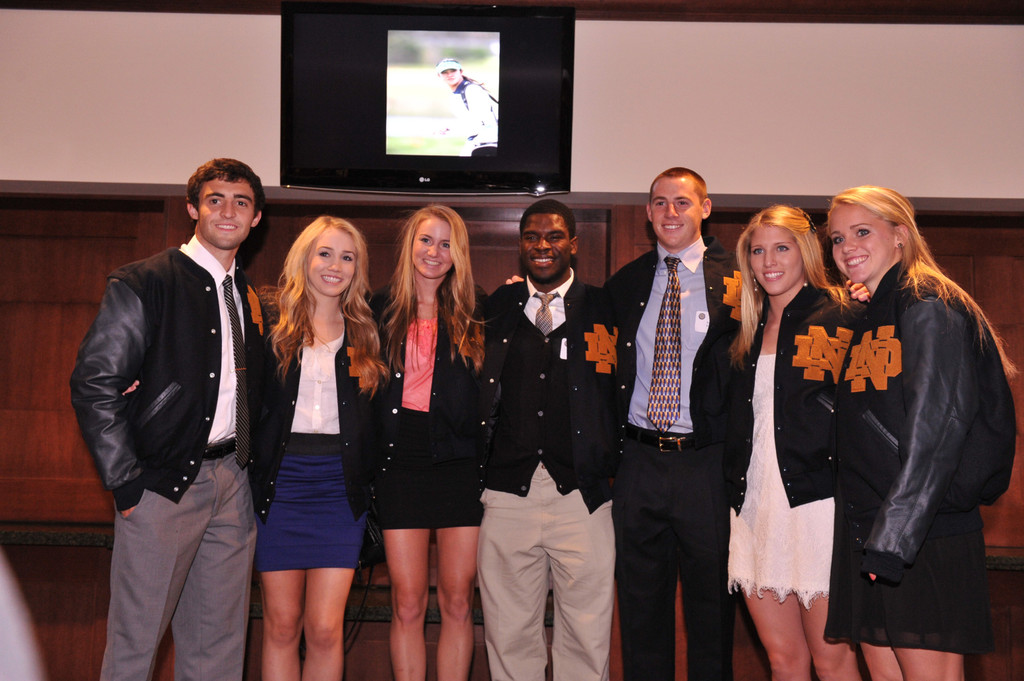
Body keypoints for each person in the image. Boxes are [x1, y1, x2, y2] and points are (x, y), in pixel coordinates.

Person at [70, 158, 266, 681]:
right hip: (161, 486)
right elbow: (93, 384)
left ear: (256, 218)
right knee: (136, 646)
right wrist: (127, 483)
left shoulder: (248, 295)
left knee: (218, 648)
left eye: (241, 202)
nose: (228, 211)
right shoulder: (144, 281)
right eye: (215, 199)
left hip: (233, 482)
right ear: (192, 209)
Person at [824, 186, 1017, 681]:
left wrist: (894, 541)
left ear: (900, 235)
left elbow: (938, 429)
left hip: (920, 533)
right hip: (873, 528)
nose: (847, 248)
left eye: (862, 232)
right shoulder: (880, 310)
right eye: (838, 238)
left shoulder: (931, 305)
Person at [605, 167, 740, 681]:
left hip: (706, 464)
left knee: (711, 608)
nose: (670, 213)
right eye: (660, 203)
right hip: (638, 463)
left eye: (682, 202)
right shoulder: (627, 282)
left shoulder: (739, 276)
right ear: (647, 213)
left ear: (705, 208)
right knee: (640, 608)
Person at [477, 199, 619, 681]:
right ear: (520, 245)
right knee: (509, 634)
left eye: (554, 236)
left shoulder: (608, 307)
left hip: (584, 495)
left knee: (586, 633)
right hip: (506, 494)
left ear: (573, 245)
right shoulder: (494, 308)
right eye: (532, 237)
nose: (543, 246)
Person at [723, 205, 862, 681]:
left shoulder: (844, 315)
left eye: (781, 247)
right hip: (754, 507)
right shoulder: (745, 327)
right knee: (783, 660)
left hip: (818, 509)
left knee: (832, 658)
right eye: (758, 251)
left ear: (805, 250)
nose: (769, 261)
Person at [249, 216, 387, 681]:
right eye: (325, 253)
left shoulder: (368, 330)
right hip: (279, 487)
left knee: (326, 629)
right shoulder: (268, 322)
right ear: (304, 258)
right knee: (282, 626)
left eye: (347, 257)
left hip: (339, 490)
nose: (335, 265)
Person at [371, 205, 485, 681]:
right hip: (398, 466)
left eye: (445, 243)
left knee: (458, 599)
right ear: (409, 246)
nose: (433, 252)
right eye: (425, 240)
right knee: (408, 600)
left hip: (460, 465)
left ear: (457, 253)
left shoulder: (481, 312)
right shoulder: (374, 309)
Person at [435, 57, 498, 157]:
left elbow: (479, 120)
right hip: (477, 141)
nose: (450, 75)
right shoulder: (456, 94)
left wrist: (453, 130)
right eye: (445, 72)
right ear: (439, 75)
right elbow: (468, 119)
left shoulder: (472, 90)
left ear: (461, 71)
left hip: (489, 142)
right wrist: (449, 128)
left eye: (453, 71)